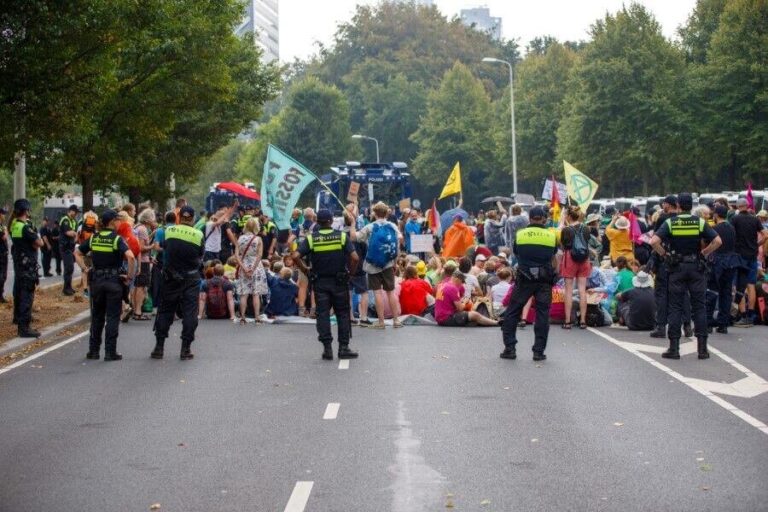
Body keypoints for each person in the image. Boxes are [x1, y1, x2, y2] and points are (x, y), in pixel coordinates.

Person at [650, 192, 722, 360]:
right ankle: (702, 349)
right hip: (696, 267)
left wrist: (665, 254)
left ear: (678, 206)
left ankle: (674, 349)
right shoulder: (699, 222)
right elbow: (718, 241)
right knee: (699, 307)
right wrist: (704, 253)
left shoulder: (671, 222)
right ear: (692, 206)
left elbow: (654, 241)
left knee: (675, 306)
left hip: (677, 268)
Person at [293, 208, 360, 360]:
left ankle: (327, 348)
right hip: (339, 282)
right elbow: (355, 258)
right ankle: (343, 348)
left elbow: (295, 255)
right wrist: (351, 273)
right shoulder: (341, 237)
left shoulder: (311, 238)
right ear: (331, 221)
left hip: (320, 282)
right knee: (342, 314)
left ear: (317, 221)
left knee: (322, 314)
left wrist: (306, 270)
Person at [75, 209, 135, 360]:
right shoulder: (117, 239)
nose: (120, 222)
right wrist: (128, 276)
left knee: (97, 317)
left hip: (97, 282)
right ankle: (110, 352)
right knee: (113, 317)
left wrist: (84, 268)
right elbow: (131, 257)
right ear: (112, 222)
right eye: (118, 220)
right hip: (114, 282)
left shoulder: (94, 238)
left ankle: (93, 351)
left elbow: (77, 253)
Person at [500, 206, 558, 361]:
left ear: (530, 218)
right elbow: (553, 256)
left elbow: (516, 253)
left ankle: (510, 348)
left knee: (513, 311)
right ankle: (538, 352)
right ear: (544, 218)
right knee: (542, 315)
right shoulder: (551, 236)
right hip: (544, 280)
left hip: (524, 278)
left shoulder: (521, 234)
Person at [151, 205, 204, 361]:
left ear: (179, 217)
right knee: (190, 313)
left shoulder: (169, 231)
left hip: (170, 277)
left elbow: (165, 249)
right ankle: (185, 349)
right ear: (193, 218)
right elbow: (201, 255)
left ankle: (159, 348)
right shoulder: (198, 234)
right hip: (191, 278)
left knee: (165, 311)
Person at [350, 201, 402, 329]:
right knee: (390, 292)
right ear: (386, 213)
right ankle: (396, 321)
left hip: (373, 265)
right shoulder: (393, 226)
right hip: (389, 263)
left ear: (374, 213)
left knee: (377, 293)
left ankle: (381, 322)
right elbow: (399, 240)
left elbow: (353, 238)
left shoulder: (370, 227)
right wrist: (395, 261)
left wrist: (352, 224)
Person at [731, 198, 768, 327]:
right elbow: (765, 235)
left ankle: (742, 315)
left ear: (737, 206)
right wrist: (757, 244)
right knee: (751, 285)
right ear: (747, 206)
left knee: (739, 286)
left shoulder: (735, 220)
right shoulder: (755, 219)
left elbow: (731, 235)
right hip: (752, 255)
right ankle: (751, 314)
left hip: (739, 256)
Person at [10, 199, 44, 337]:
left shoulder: (14, 226)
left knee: (19, 294)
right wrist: (35, 242)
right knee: (26, 297)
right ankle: (24, 328)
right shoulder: (25, 228)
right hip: (28, 266)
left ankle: (18, 320)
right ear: (27, 211)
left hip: (19, 265)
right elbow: (39, 243)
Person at [707, 205, 738, 334]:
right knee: (726, 292)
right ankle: (723, 324)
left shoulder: (714, 229)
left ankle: (708, 322)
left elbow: (709, 243)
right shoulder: (732, 228)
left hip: (717, 261)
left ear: (716, 215)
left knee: (712, 291)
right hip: (731, 262)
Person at [560, 206, 592, 329]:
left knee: (568, 290)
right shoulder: (586, 228)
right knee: (582, 290)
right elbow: (587, 241)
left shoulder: (566, 230)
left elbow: (563, 246)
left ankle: (567, 321)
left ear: (568, 216)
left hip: (570, 258)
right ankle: (583, 320)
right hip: (584, 258)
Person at [235, 218, 267, 323]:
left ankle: (243, 317)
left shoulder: (240, 239)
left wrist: (244, 268)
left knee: (244, 294)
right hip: (256, 267)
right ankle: (257, 317)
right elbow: (259, 255)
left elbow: (237, 255)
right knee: (256, 293)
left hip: (244, 265)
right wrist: (253, 269)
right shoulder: (258, 239)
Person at [132, 208, 155, 321]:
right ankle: (138, 311)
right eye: (152, 218)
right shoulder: (143, 229)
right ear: (148, 219)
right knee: (141, 286)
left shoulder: (137, 227)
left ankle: (135, 309)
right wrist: (152, 246)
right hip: (143, 261)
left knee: (137, 286)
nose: (154, 220)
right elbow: (141, 247)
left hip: (138, 260)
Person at [59, 204, 79, 295]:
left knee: (70, 268)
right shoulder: (65, 219)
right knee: (68, 267)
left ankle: (69, 287)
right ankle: (66, 289)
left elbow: (75, 234)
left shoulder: (74, 221)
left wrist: (74, 235)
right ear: (71, 210)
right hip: (65, 247)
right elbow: (69, 233)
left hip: (71, 247)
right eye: (75, 212)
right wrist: (74, 234)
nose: (76, 214)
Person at [0, 207, 8, 301]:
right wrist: (5, 230)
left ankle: (1, 295)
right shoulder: (1, 226)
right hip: (1, 253)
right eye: (3, 214)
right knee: (2, 275)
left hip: (3, 252)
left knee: (3, 275)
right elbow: (4, 237)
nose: (4, 216)